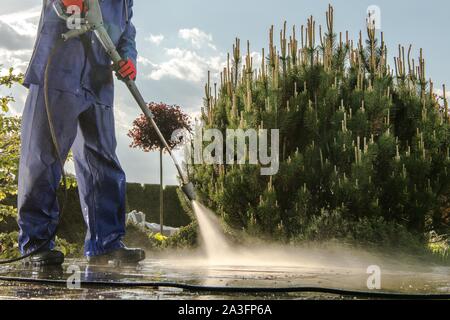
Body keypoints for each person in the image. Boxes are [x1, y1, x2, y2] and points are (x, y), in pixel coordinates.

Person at [18, 0, 145, 266]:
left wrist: (128, 58)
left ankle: (106, 243)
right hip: (58, 72)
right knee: (42, 158)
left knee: (103, 161)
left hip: (98, 81)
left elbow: (127, 29)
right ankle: (35, 245)